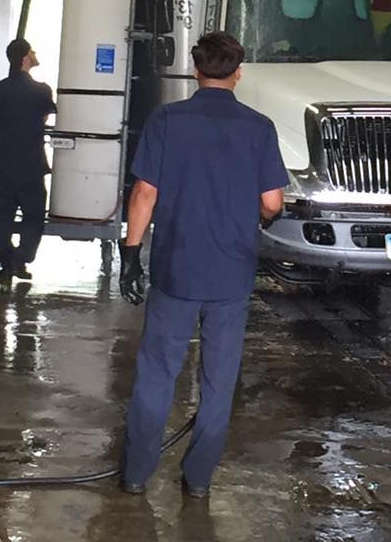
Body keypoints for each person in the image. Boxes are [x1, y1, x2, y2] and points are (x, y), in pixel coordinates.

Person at [118, 31, 288, 498]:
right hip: (231, 273)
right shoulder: (259, 127)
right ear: (238, 72)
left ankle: (135, 474)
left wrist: (131, 254)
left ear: (196, 71)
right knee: (219, 378)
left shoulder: (167, 120)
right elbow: (271, 202)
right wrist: (261, 209)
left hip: (175, 267)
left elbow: (145, 193)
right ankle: (197, 480)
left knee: (157, 371)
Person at [0, 38, 56, 281]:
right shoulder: (42, 90)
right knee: (34, 215)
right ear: (25, 57)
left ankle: (4, 257)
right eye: (32, 51)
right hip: (31, 164)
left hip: (2, 163)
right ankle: (21, 259)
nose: (35, 54)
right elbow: (45, 118)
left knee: (1, 215)